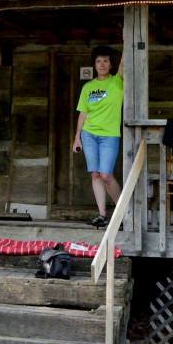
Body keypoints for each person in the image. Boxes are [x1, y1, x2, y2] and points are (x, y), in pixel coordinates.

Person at [73, 46, 123, 228]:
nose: (102, 64)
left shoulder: (117, 82)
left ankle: (122, 212)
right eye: (98, 61)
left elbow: (125, 62)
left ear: (111, 65)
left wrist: (127, 41)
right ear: (94, 65)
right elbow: (83, 113)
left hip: (109, 135)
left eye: (105, 61)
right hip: (89, 134)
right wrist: (77, 137)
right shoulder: (88, 87)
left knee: (106, 175)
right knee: (95, 174)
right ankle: (102, 215)